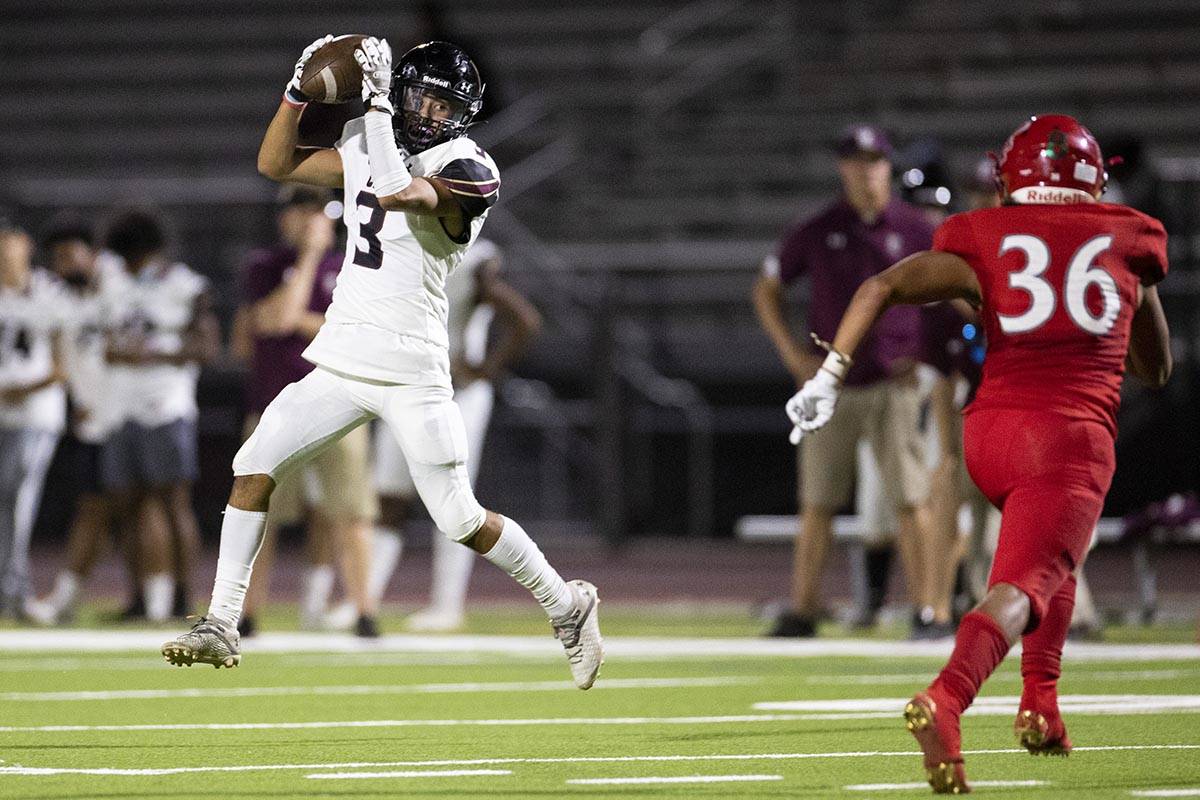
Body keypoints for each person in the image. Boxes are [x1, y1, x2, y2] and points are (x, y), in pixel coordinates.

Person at [161, 36, 603, 690]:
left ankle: (567, 604)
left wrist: (371, 105)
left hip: (412, 368)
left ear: (465, 112)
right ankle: (222, 621)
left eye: (442, 102)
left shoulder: (471, 166)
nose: (427, 111)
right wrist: (296, 93)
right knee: (252, 463)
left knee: (458, 517)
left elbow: (399, 192)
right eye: (419, 96)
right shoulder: (367, 139)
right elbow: (276, 163)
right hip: (343, 356)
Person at [786, 114, 1172, 794]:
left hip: (988, 434)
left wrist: (828, 375)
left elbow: (880, 286)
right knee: (1026, 583)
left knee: (1052, 564)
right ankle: (948, 697)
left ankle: (1040, 705)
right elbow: (1156, 366)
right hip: (1067, 437)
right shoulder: (1128, 238)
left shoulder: (984, 236)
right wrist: (1126, 299)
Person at [752, 124, 934, 637]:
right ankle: (803, 606)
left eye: (872, 161)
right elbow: (766, 288)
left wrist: (925, 352)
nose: (863, 171)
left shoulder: (916, 228)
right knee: (817, 501)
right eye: (853, 161)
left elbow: (956, 290)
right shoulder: (819, 227)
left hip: (893, 382)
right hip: (829, 384)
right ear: (841, 167)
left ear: (888, 165)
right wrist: (793, 357)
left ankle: (927, 608)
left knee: (911, 499)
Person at [338, 237, 541, 633]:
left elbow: (525, 320)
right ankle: (366, 599)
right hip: (407, 384)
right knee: (389, 497)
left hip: (455, 392)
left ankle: (447, 605)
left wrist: (484, 368)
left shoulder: (474, 259)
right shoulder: (403, 243)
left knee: (452, 497)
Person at [230, 185, 382, 638]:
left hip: (340, 407)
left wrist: (301, 318)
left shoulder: (355, 266)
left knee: (352, 512)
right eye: (300, 211)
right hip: (273, 407)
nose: (308, 220)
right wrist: (310, 261)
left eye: (317, 211)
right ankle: (246, 613)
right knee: (257, 514)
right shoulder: (265, 265)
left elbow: (361, 335)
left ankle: (365, 612)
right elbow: (272, 321)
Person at [102, 209, 219, 622]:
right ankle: (138, 597)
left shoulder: (186, 286)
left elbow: (207, 347)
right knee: (127, 505)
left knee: (173, 503)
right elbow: (107, 345)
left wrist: (157, 353)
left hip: (167, 405)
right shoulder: (116, 286)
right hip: (122, 405)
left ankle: (183, 598)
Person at [24, 218, 130, 625]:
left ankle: (69, 596)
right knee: (102, 510)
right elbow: (64, 356)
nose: (63, 265)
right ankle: (147, 598)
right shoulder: (60, 300)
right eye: (57, 258)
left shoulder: (119, 283)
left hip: (129, 416)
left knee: (110, 511)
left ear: (93, 253)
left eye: (70, 255)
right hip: (94, 421)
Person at [0, 219, 67, 619]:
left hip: (35, 414)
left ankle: (15, 588)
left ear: (24, 244)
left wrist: (20, 390)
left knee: (17, 499)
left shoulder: (49, 293)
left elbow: (63, 365)